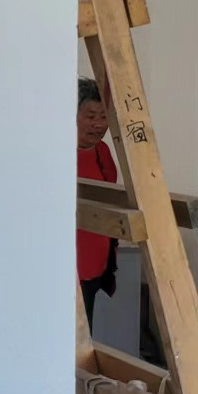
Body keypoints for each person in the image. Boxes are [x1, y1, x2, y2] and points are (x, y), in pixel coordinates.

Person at [77, 78, 118, 326]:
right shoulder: (55, 152)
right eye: (91, 116)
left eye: (103, 117)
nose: (99, 124)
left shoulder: (102, 152)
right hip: (65, 268)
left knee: (84, 334)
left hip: (95, 265)